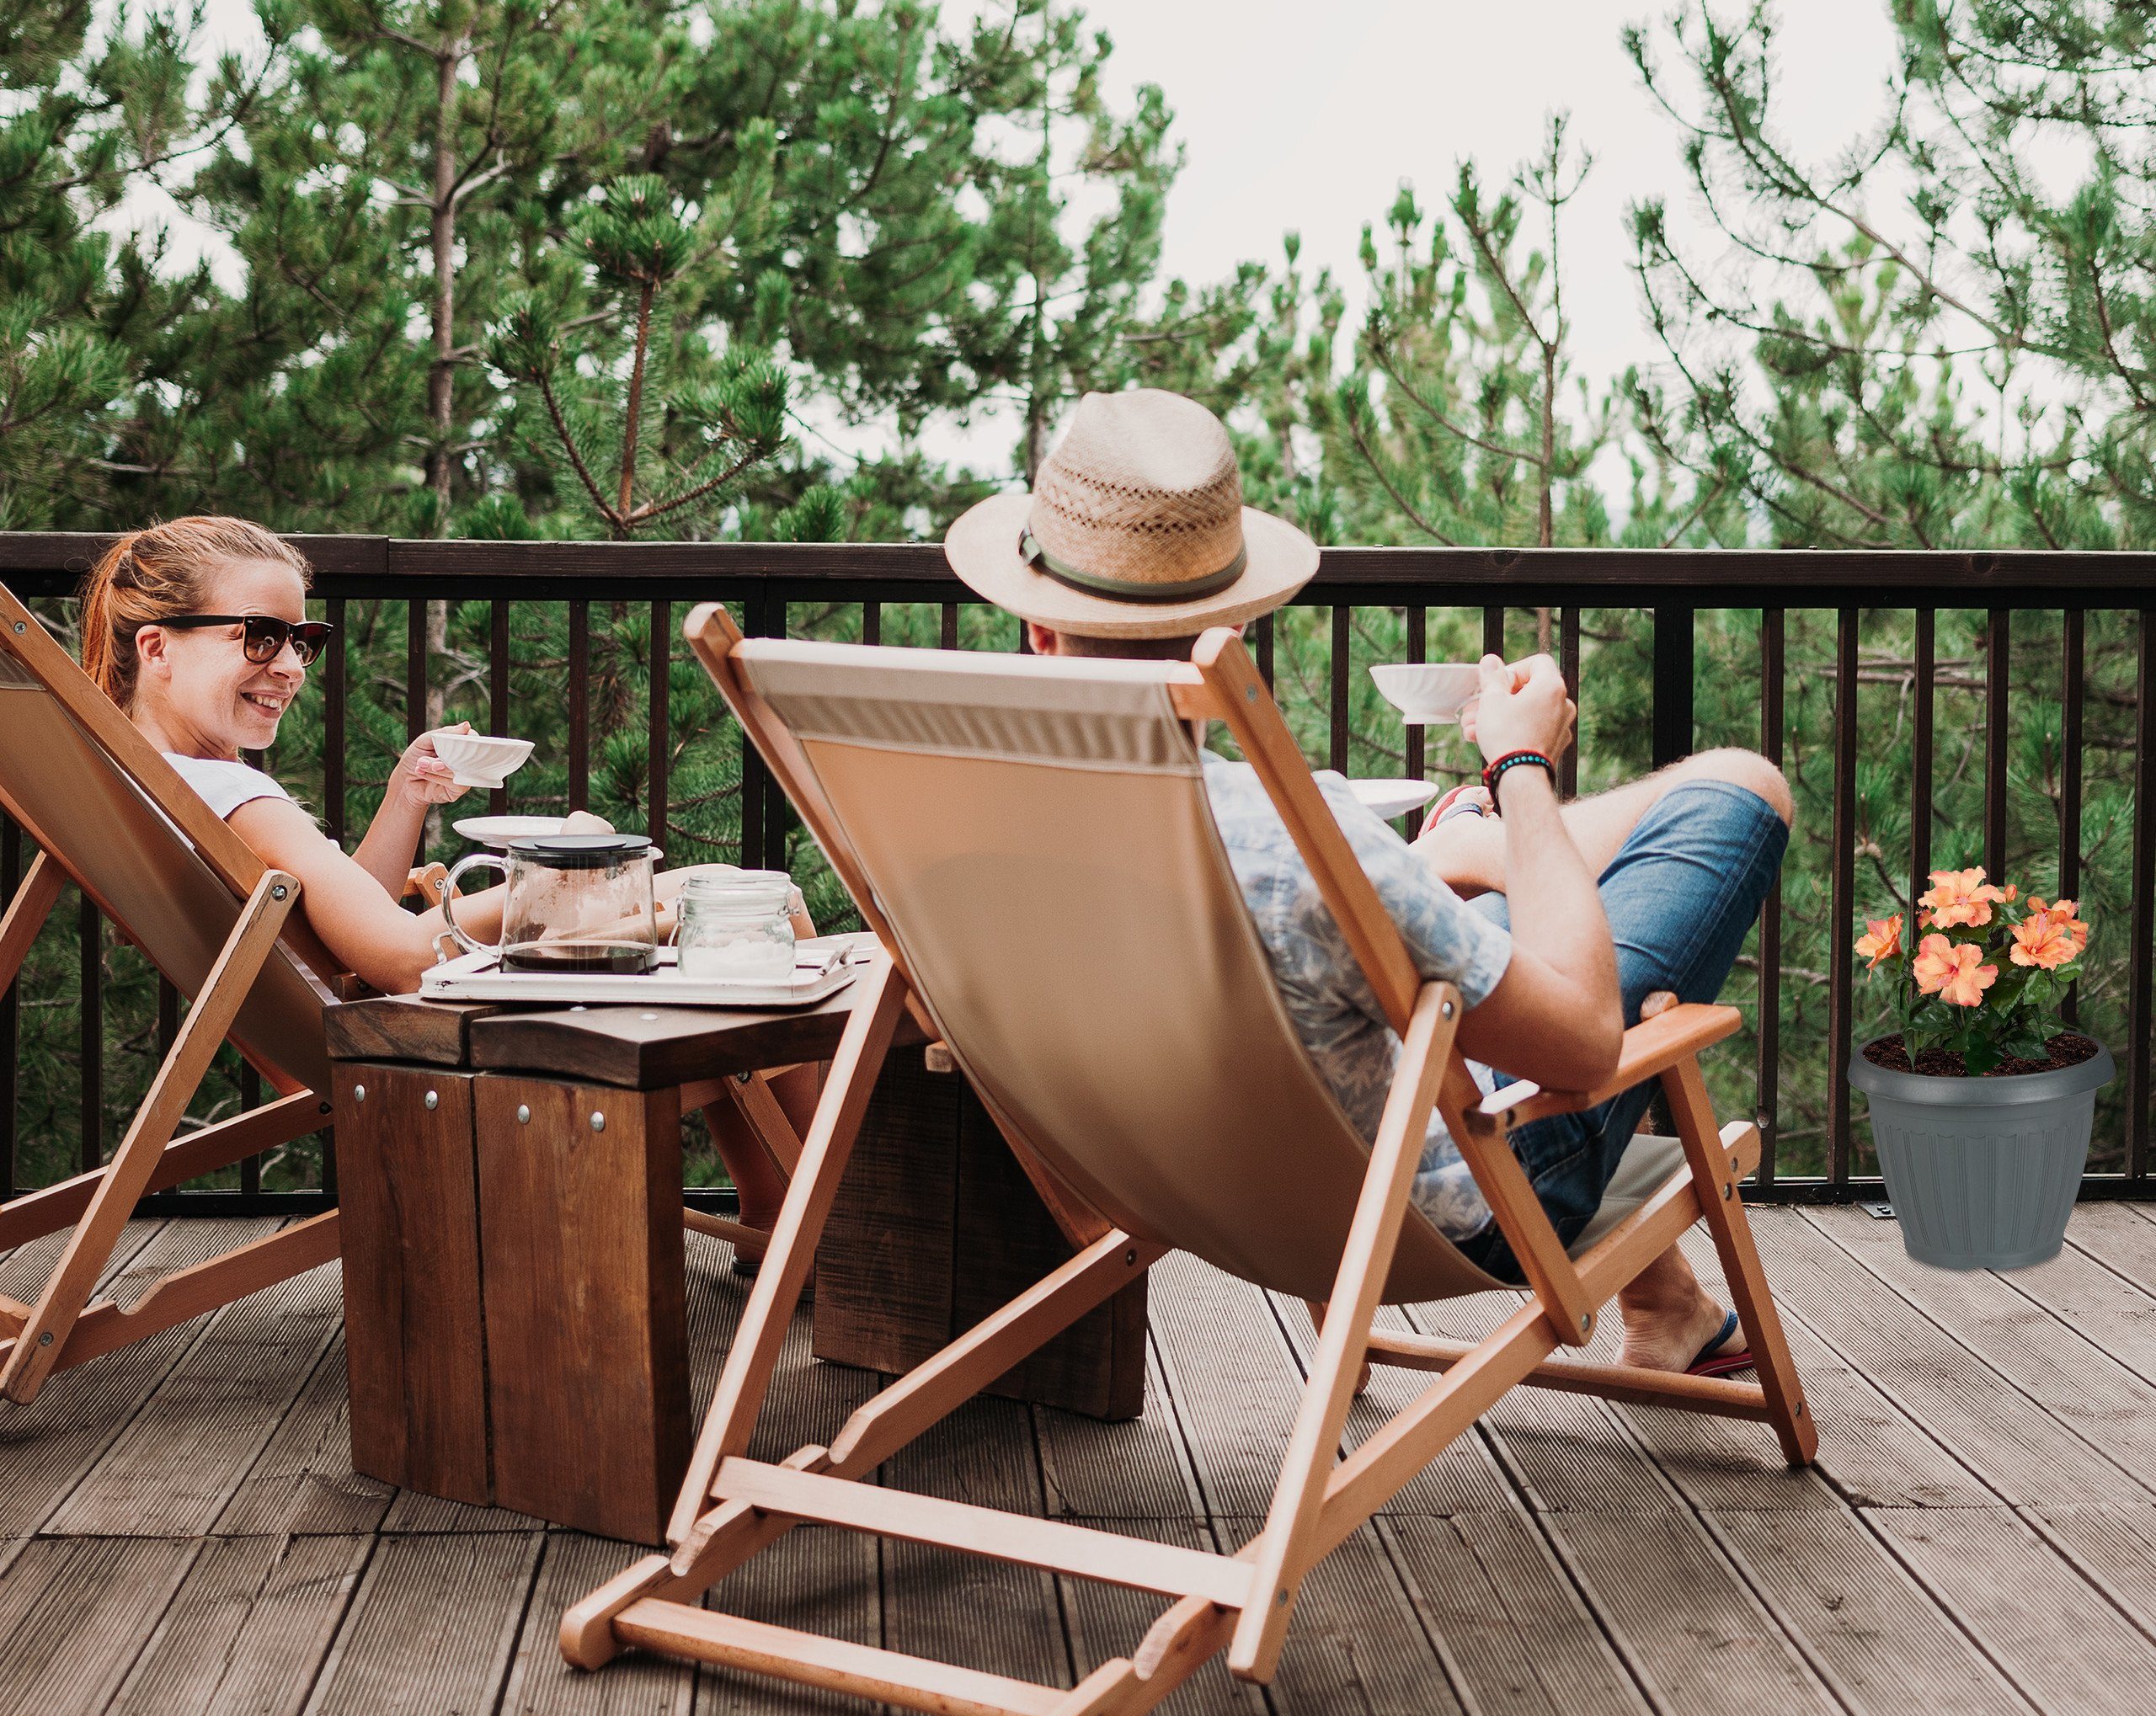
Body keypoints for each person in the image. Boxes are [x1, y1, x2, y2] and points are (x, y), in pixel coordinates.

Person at [943, 388, 1788, 1378]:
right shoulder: (1302, 838)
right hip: (1452, 1199)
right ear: (1234, 622)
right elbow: (1587, 1039)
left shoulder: (967, 825)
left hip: (1186, 1188)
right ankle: (1485, 842)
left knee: (1467, 898)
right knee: (1741, 788)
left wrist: (1434, 868)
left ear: (1041, 632)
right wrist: (1519, 767)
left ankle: (1468, 857)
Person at [76, 517, 817, 1251]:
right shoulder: (232, 795)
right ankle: (812, 1229)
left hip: (367, 1029)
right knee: (751, 901)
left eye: (304, 641)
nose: (293, 666)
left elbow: (335, 922)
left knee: (715, 902)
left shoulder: (159, 783)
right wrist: (568, 875)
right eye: (261, 636)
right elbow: (400, 956)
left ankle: (778, 1220)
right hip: (419, 1053)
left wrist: (405, 796)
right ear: (156, 647)